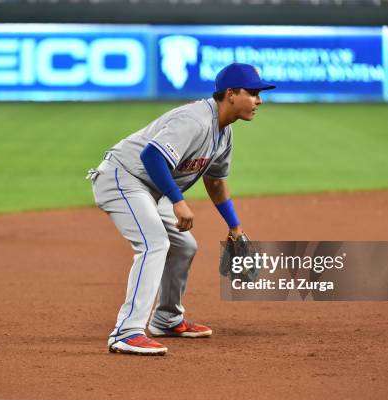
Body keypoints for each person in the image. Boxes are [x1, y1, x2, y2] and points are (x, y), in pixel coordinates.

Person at [89, 63, 275, 356]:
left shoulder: (224, 133)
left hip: (149, 188)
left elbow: (215, 183)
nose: (259, 101)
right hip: (122, 177)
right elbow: (151, 156)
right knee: (154, 244)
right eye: (252, 93)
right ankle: (127, 332)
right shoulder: (196, 120)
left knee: (184, 246)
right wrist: (178, 200)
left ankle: (166, 318)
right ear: (230, 94)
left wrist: (235, 226)